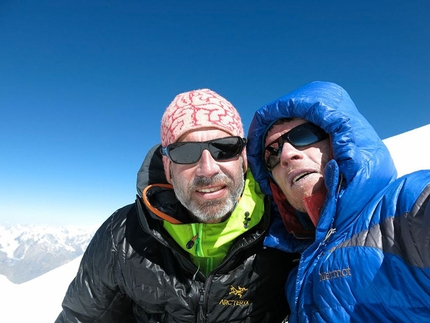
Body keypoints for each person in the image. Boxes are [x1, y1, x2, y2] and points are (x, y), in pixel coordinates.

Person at [56, 88, 297, 323]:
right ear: (169, 169)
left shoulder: (287, 228)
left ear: (243, 160)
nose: (208, 168)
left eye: (225, 148)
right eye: (185, 153)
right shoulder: (122, 236)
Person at [246, 81, 430, 322]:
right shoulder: (296, 265)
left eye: (303, 135)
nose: (287, 155)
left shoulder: (404, 209)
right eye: (272, 153)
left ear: (340, 140)